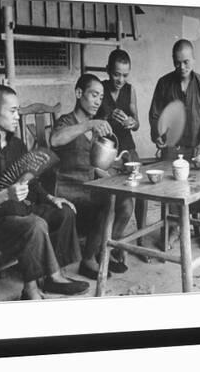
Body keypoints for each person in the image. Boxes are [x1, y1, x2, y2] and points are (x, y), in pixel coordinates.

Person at [0, 84, 89, 300]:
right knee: (35, 225)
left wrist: (51, 197)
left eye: (18, 110)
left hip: (20, 210)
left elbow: (33, 182)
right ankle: (33, 289)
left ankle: (52, 275)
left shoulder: (17, 145)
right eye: (12, 111)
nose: (17, 116)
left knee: (64, 212)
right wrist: (5, 195)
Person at [50, 74, 132, 280]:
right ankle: (88, 261)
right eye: (94, 95)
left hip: (89, 185)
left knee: (126, 201)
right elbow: (55, 139)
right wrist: (89, 124)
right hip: (69, 188)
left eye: (101, 96)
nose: (98, 101)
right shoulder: (66, 122)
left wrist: (118, 169)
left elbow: (94, 165)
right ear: (79, 93)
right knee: (108, 202)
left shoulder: (95, 127)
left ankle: (104, 251)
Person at [148, 39, 200, 250]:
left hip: (197, 146)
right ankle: (174, 228)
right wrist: (157, 134)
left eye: (186, 62)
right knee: (170, 187)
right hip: (173, 147)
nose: (182, 67)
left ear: (193, 59)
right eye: (177, 63)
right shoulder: (164, 83)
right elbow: (155, 115)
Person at [95, 49, 144, 265]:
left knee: (140, 193)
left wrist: (132, 123)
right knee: (115, 199)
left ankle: (138, 239)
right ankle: (111, 244)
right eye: (116, 74)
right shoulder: (100, 89)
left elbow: (137, 122)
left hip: (128, 149)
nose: (120, 80)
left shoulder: (129, 90)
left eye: (125, 75)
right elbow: (92, 120)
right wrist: (107, 116)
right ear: (108, 71)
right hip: (107, 151)